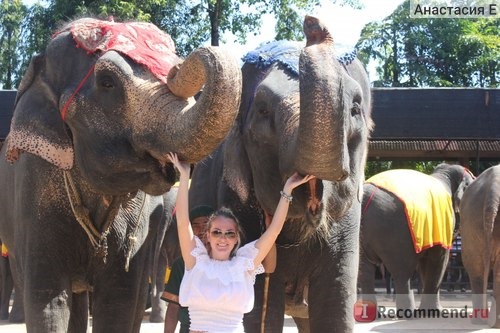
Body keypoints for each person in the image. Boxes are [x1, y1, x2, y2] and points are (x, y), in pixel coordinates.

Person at [167, 152, 314, 333]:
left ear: (237, 238)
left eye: (229, 233)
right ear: (208, 236)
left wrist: (288, 190)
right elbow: (182, 221)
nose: (223, 238)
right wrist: (183, 176)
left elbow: (274, 230)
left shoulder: (244, 265)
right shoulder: (195, 261)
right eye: (217, 232)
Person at [162, 205, 215, 333]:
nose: (201, 229)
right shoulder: (181, 264)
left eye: (206, 224)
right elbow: (173, 308)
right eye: (196, 225)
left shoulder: (229, 262)